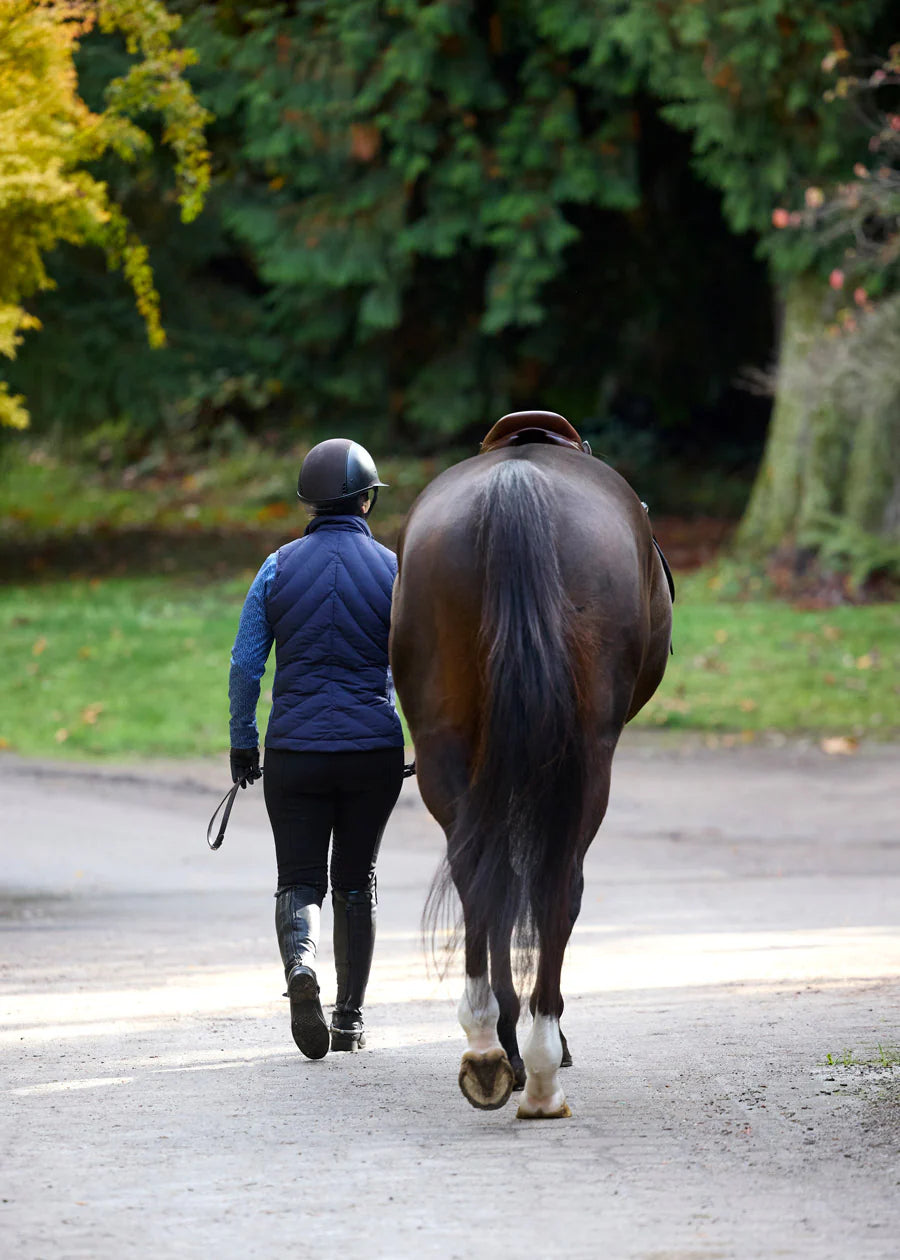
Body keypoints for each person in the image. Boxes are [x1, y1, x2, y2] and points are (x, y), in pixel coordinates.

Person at [228, 438, 405, 1059]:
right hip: (372, 753)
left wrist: (243, 744)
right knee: (358, 880)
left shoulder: (276, 567)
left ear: (309, 502)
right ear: (365, 498)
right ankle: (350, 1019)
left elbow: (246, 665)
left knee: (298, 877)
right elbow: (416, 668)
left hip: (295, 753)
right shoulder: (394, 571)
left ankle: (300, 964)